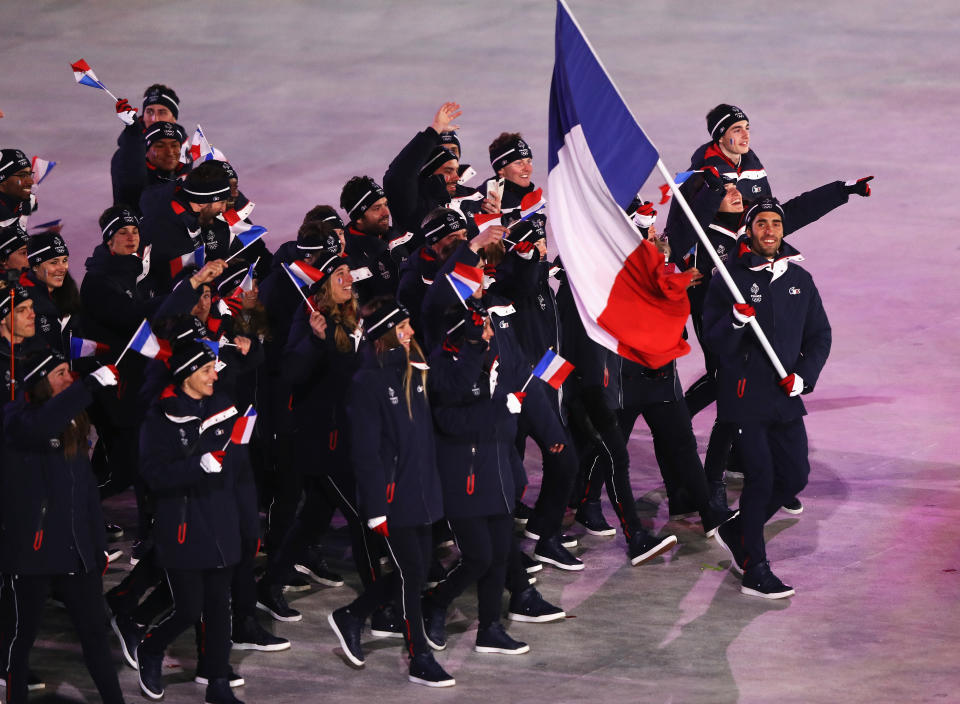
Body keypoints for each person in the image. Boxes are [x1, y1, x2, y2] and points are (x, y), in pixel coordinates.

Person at [703, 197, 832, 598]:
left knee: (795, 476)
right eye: (761, 223)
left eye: (776, 223)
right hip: (744, 398)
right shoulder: (729, 278)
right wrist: (736, 321)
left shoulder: (801, 280)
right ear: (749, 229)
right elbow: (714, 341)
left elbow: (819, 336)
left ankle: (738, 529)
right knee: (760, 477)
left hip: (785, 395)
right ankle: (754, 566)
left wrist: (804, 378)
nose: (770, 230)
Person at [335, 299, 452, 687]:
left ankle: (352, 615)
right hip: (392, 496)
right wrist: (375, 506)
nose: (412, 332)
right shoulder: (367, 382)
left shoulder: (416, 371)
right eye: (404, 326)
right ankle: (418, 656)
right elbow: (366, 451)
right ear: (390, 332)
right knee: (410, 574)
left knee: (416, 571)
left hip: (421, 490)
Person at [0, 350, 126, 704]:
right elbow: (39, 425)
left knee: (96, 637)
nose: (68, 378)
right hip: (31, 554)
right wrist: (86, 386)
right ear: (40, 381)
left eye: (70, 373)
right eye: (60, 373)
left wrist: (97, 544)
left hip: (76, 554)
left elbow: (86, 491)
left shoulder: (72, 421)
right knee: (19, 640)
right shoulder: (16, 420)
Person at [136, 339, 254, 703]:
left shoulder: (226, 408)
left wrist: (248, 522)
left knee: (220, 609)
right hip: (183, 528)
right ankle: (151, 648)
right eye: (206, 370)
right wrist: (194, 467)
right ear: (186, 374)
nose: (213, 377)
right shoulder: (160, 418)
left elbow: (241, 473)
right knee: (189, 609)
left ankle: (217, 679)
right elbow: (153, 476)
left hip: (221, 524)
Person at [422, 299, 530, 656]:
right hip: (460, 477)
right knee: (479, 556)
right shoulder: (439, 368)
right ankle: (436, 603)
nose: (488, 331)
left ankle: (490, 628)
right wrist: (499, 406)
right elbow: (451, 423)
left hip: (497, 469)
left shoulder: (490, 360)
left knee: (500, 554)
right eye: (481, 327)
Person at [110, 84, 182, 210]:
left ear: (174, 118)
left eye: (162, 112)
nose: (154, 119)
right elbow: (134, 184)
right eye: (149, 111)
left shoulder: (184, 149)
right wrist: (133, 132)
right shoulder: (126, 153)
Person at [20, 232, 81, 354]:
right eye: (54, 262)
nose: (62, 268)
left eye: (64, 260)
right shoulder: (21, 301)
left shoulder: (68, 293)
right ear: (35, 266)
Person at [0, 149, 37, 229]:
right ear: (2, 180)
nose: (31, 182)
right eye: (22, 175)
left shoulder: (29, 200)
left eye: (29, 175)